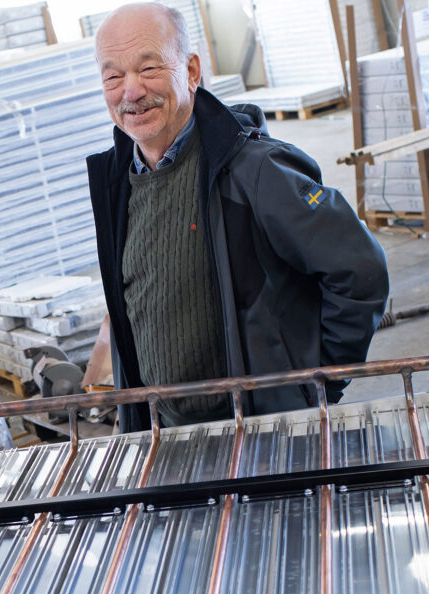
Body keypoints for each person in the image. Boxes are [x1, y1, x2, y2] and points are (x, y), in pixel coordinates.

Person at [87, 3, 389, 433]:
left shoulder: (255, 170)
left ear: (191, 71)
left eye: (149, 68)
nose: (130, 91)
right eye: (113, 76)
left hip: (262, 433)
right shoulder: (117, 185)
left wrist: (316, 383)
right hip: (166, 435)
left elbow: (360, 270)